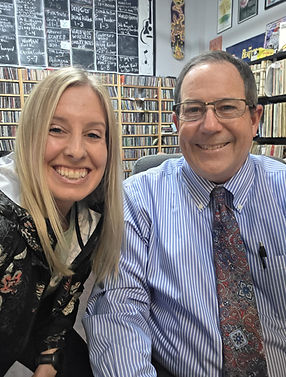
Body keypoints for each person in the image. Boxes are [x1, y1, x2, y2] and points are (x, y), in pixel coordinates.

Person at [83, 50, 286, 377]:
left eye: (227, 107)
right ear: (177, 123)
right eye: (193, 110)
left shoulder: (283, 191)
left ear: (254, 118)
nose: (209, 125)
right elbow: (119, 316)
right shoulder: (138, 200)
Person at [0, 67, 123, 377]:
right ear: (29, 134)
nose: (76, 151)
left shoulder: (89, 216)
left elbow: (65, 303)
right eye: (56, 129)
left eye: (93, 134)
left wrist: (48, 361)